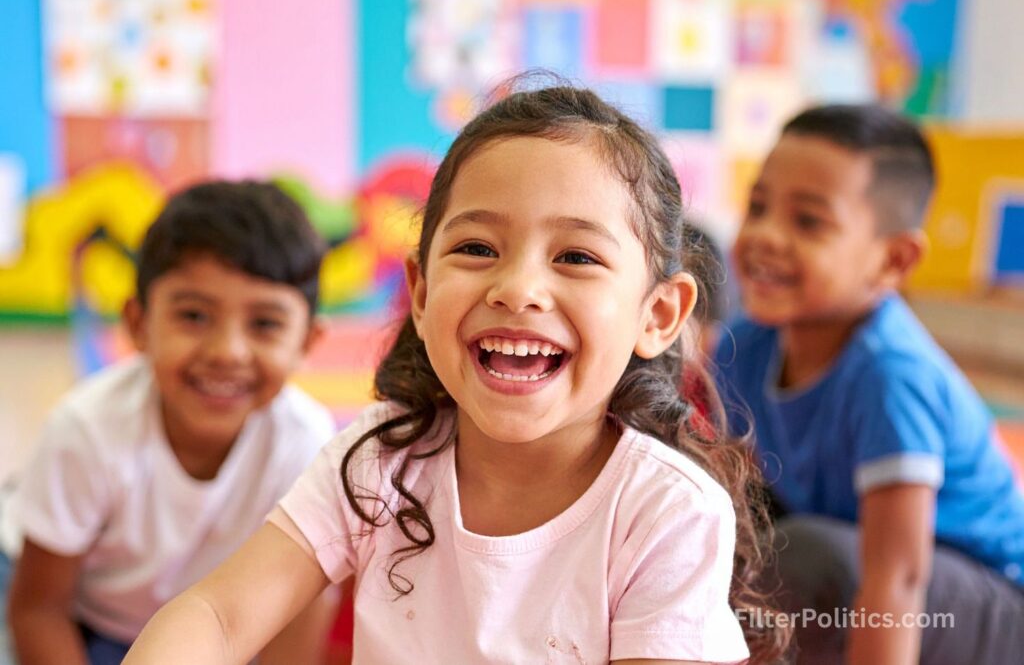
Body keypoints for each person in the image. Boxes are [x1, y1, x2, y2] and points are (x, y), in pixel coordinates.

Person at [123, 84, 790, 664]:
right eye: (476, 248)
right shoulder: (383, 454)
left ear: (659, 312)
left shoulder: (666, 508)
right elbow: (219, 616)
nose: (518, 287)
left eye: (577, 256)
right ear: (419, 289)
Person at [714, 104, 1024, 664]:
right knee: (725, 537)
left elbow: (898, 580)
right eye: (758, 206)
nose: (764, 235)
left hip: (988, 607)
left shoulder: (890, 375)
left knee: (809, 560)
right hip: (871, 570)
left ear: (894, 258)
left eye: (807, 221)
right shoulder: (750, 344)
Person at [0, 180, 337, 665]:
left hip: (209, 636)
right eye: (195, 316)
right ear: (138, 324)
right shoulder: (88, 429)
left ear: (307, 340)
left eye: (264, 324)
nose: (227, 352)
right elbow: (39, 611)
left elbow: (300, 610)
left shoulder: (305, 443)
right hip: (82, 618)